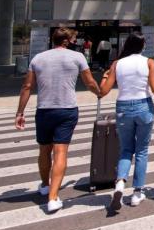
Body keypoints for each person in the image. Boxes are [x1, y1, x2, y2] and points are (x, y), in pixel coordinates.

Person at [15, 27, 101, 213]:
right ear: (67, 41)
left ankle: (45, 185)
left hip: (44, 110)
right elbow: (89, 82)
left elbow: (27, 86)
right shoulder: (77, 57)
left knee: (44, 150)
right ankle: (53, 198)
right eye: (73, 39)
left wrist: (20, 112)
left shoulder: (38, 58)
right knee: (60, 151)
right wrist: (99, 93)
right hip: (67, 109)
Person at [99, 32, 154, 210]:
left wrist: (105, 76)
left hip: (123, 108)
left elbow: (103, 91)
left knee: (125, 150)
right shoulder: (149, 62)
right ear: (142, 45)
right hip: (144, 106)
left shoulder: (117, 64)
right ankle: (137, 193)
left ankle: (120, 184)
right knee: (142, 151)